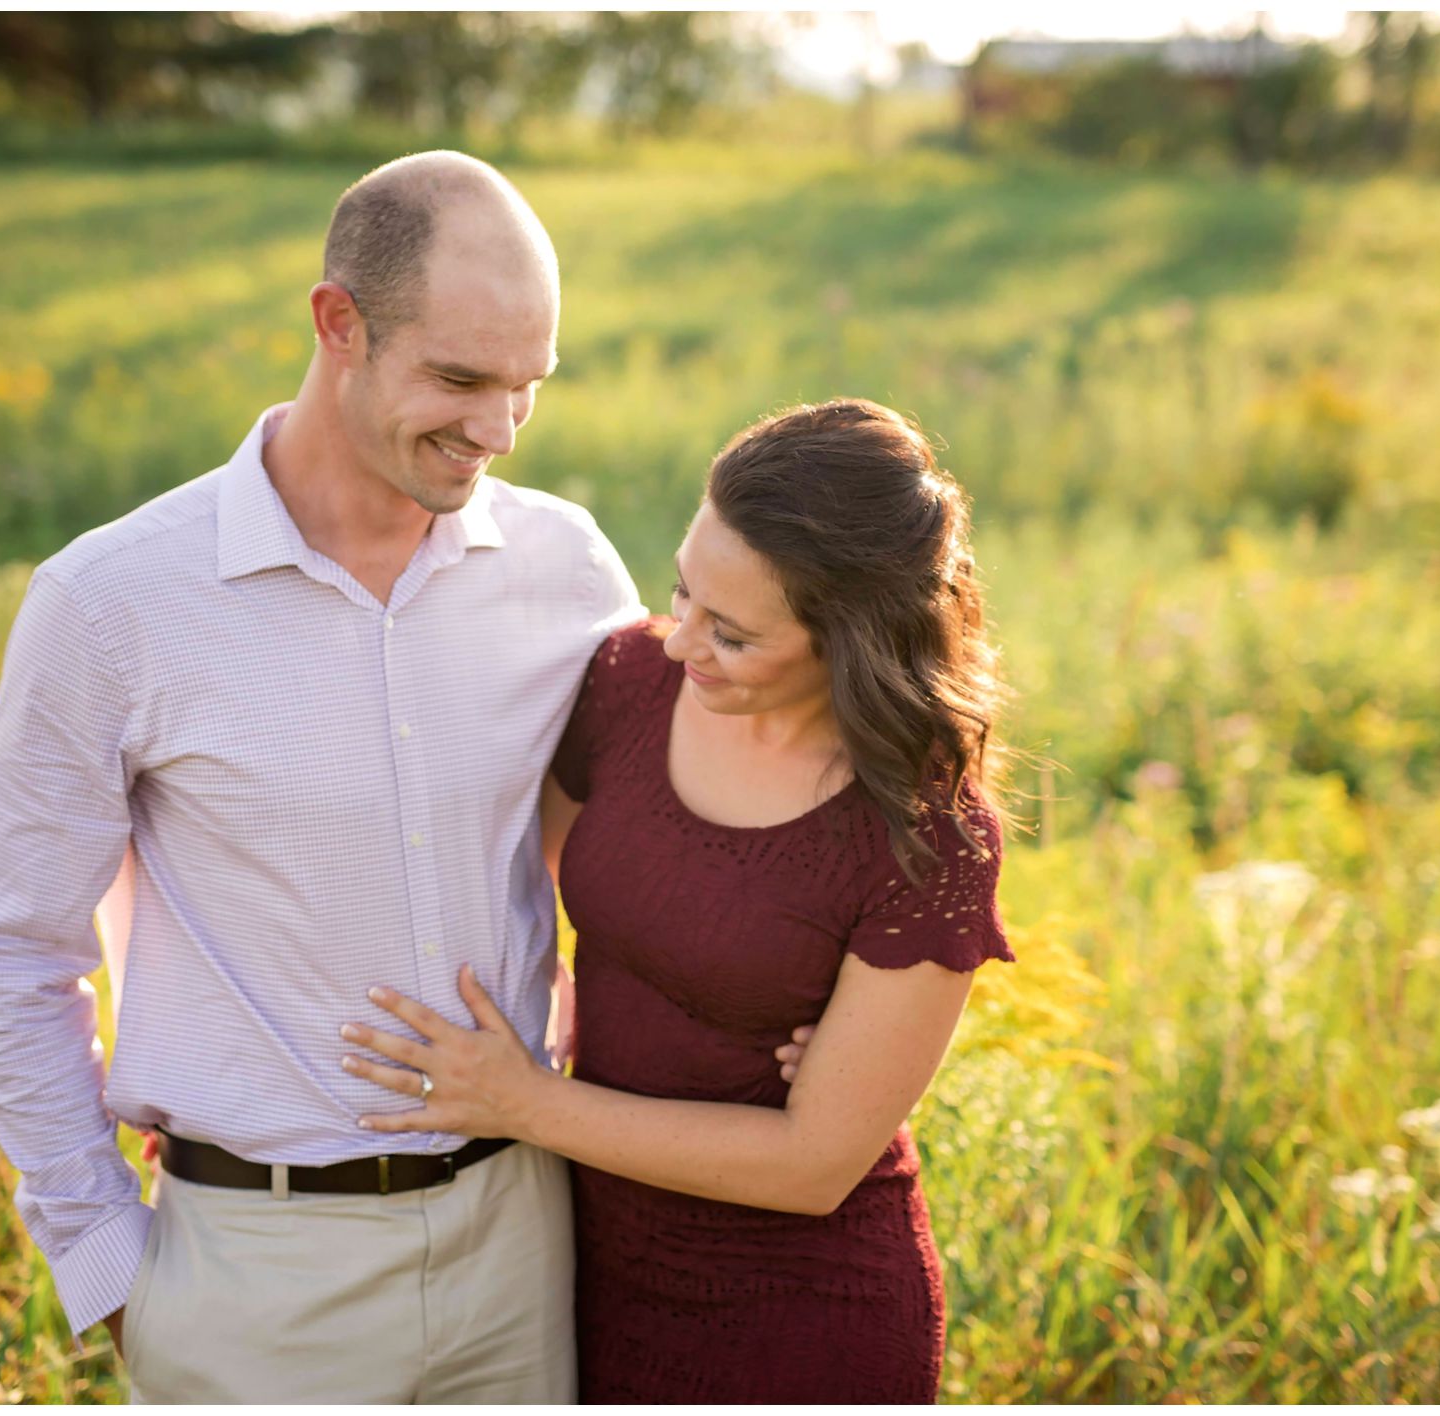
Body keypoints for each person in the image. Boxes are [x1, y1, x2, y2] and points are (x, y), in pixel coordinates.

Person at [0, 151, 645, 1403]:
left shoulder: (567, 569)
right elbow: (11, 949)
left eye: (526, 388)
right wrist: (106, 1264)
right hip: (253, 1278)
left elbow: (655, 836)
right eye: (457, 378)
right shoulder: (111, 601)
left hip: (527, 1240)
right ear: (338, 324)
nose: (494, 430)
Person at [335, 398, 1016, 1403]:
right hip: (580, 1269)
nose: (677, 641)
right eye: (680, 593)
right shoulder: (625, 684)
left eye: (732, 635)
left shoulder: (927, 835)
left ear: (850, 645)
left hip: (803, 1315)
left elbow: (813, 1165)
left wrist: (522, 1102)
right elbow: (493, 878)